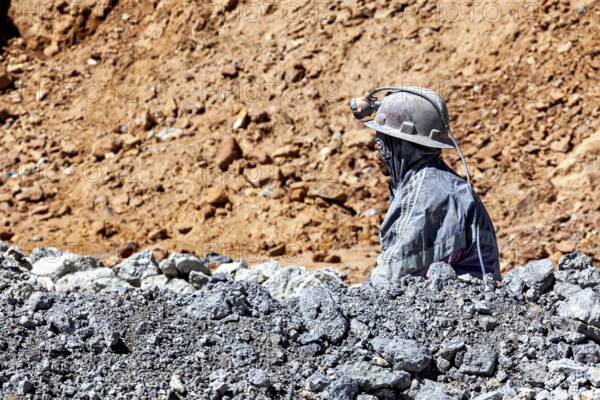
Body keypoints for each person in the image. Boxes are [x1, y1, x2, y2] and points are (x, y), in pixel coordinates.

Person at [349, 86, 501, 286]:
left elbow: (391, 276)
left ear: (402, 145)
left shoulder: (429, 194)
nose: (377, 156)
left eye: (381, 145)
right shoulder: (436, 182)